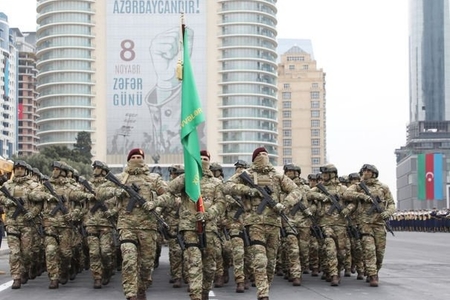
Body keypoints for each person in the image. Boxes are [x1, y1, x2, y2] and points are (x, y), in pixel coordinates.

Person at [143, 150, 228, 300]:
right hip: (189, 228)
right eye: (199, 158)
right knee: (194, 262)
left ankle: (204, 292)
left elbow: (221, 204)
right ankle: (195, 295)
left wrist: (208, 214)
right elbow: (169, 193)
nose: (202, 160)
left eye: (205, 158)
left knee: (209, 268)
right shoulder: (186, 179)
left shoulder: (216, 183)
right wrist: (155, 203)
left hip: (209, 229)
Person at [223, 147, 301, 300]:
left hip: (274, 223)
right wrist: (248, 190)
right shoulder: (246, 175)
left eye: (265, 154)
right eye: (260, 154)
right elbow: (227, 186)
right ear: (254, 158)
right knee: (260, 259)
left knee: (271, 263)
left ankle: (266, 286)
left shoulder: (278, 177)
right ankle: (263, 294)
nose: (263, 156)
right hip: (254, 224)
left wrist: (284, 204)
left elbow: (297, 191)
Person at [97, 148, 167, 300]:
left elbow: (169, 196)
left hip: (148, 227)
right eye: (133, 156)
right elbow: (100, 192)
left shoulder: (153, 178)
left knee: (146, 265)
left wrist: (155, 203)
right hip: (126, 225)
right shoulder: (121, 178)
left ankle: (141, 288)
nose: (136, 159)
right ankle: (130, 293)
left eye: (139, 156)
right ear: (128, 160)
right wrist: (116, 192)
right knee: (129, 259)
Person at [0, 161, 55, 288]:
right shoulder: (7, 185)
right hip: (12, 223)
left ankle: (25, 269)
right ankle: (16, 277)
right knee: (14, 252)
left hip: (27, 224)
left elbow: (40, 202)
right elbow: (1, 196)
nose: (19, 170)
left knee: (27, 253)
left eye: (21, 168)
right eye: (17, 168)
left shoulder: (34, 185)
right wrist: (7, 201)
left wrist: (33, 213)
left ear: (25, 170)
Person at [343, 164, 396, 287]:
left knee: (379, 252)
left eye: (369, 171)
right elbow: (346, 194)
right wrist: (362, 196)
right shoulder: (358, 186)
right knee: (369, 249)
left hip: (379, 224)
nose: (366, 173)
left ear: (374, 173)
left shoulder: (383, 187)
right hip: (365, 223)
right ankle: (373, 276)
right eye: (364, 171)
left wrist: (387, 212)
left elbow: (392, 204)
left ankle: (374, 270)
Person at [307, 164, 350, 286]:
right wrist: (323, 197)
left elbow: (352, 201)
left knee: (342, 253)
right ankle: (333, 274)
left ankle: (337, 270)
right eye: (323, 174)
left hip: (341, 224)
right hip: (325, 224)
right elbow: (308, 194)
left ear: (333, 174)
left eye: (326, 173)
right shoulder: (320, 188)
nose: (324, 176)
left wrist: (347, 210)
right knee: (330, 248)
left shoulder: (342, 189)